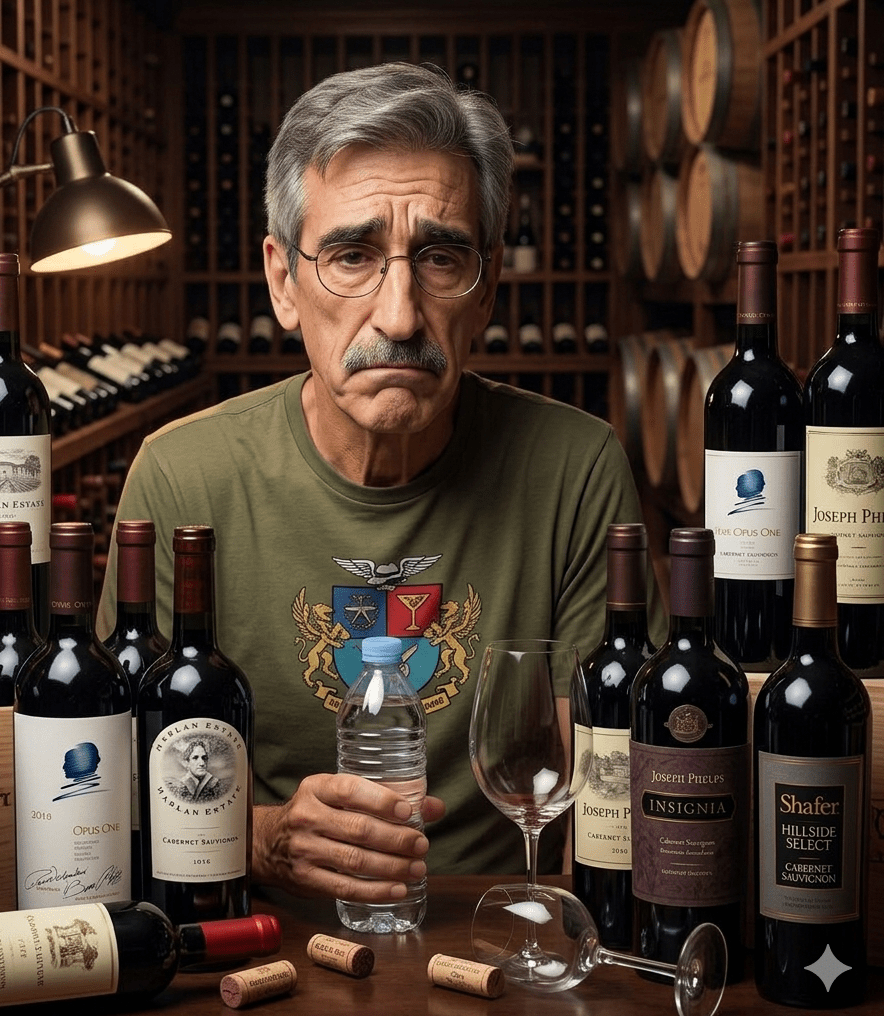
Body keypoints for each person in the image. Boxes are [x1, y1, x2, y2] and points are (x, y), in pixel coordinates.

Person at [98, 62, 662, 905]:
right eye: (352, 256)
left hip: (495, 932)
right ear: (283, 282)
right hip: (262, 935)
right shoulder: (182, 478)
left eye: (441, 258)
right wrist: (262, 839)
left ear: (487, 289)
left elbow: (607, 783)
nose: (399, 316)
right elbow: (110, 785)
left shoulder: (576, 470)